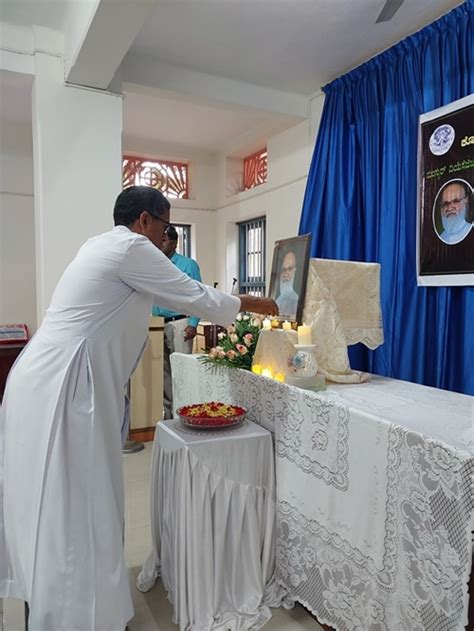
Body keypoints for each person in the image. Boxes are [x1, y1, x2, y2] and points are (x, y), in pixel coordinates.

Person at [0, 185, 278, 631]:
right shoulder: (130, 246)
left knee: (58, 499)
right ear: (145, 220)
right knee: (77, 500)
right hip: (64, 390)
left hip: (46, 380)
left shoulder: (102, 245)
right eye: (166, 228)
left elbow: (175, 298)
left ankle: (62, 600)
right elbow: (195, 296)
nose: (167, 240)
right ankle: (74, 615)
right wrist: (256, 304)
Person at [152, 225, 201, 418]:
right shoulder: (154, 264)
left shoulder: (188, 265)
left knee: (181, 371)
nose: (159, 243)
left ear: (173, 243)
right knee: (164, 372)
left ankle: (185, 412)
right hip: (156, 325)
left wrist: (194, 323)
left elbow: (198, 295)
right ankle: (169, 413)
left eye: (163, 240)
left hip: (180, 323)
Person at [275, 250, 299, 319]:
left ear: (296, 270)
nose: (285, 274)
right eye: (283, 269)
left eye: (290, 269)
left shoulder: (297, 301)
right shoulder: (277, 299)